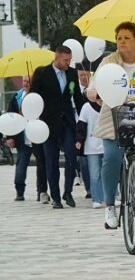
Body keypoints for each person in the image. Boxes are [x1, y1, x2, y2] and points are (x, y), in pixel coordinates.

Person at [85, 21, 135, 229]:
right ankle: (110, 207)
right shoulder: (109, 61)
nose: (121, 42)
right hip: (116, 117)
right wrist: (93, 92)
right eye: (119, 38)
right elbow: (94, 83)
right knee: (111, 157)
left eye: (127, 38)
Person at [30, 45, 86, 209]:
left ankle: (67, 191)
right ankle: (55, 197)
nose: (68, 63)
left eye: (70, 60)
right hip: (48, 124)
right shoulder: (42, 73)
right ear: (57, 58)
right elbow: (34, 97)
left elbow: (76, 97)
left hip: (67, 122)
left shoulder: (71, 73)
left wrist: (84, 118)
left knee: (71, 156)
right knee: (51, 161)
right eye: (65, 60)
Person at [7, 76, 49, 203]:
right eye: (24, 81)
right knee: (21, 165)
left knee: (42, 165)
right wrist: (9, 136)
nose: (26, 83)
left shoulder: (39, 97)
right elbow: (10, 117)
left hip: (37, 135)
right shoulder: (16, 97)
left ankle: (41, 191)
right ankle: (19, 191)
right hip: (22, 137)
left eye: (28, 81)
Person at [75, 97, 104, 209]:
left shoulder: (108, 104)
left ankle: (113, 196)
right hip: (92, 146)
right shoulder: (86, 107)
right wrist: (79, 140)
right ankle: (96, 198)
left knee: (109, 172)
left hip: (107, 143)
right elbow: (81, 125)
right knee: (94, 173)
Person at [75, 66, 91, 199]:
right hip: (79, 129)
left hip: (93, 129)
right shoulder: (75, 91)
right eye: (81, 75)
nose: (84, 77)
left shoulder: (94, 90)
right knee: (83, 161)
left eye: (86, 75)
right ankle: (89, 188)